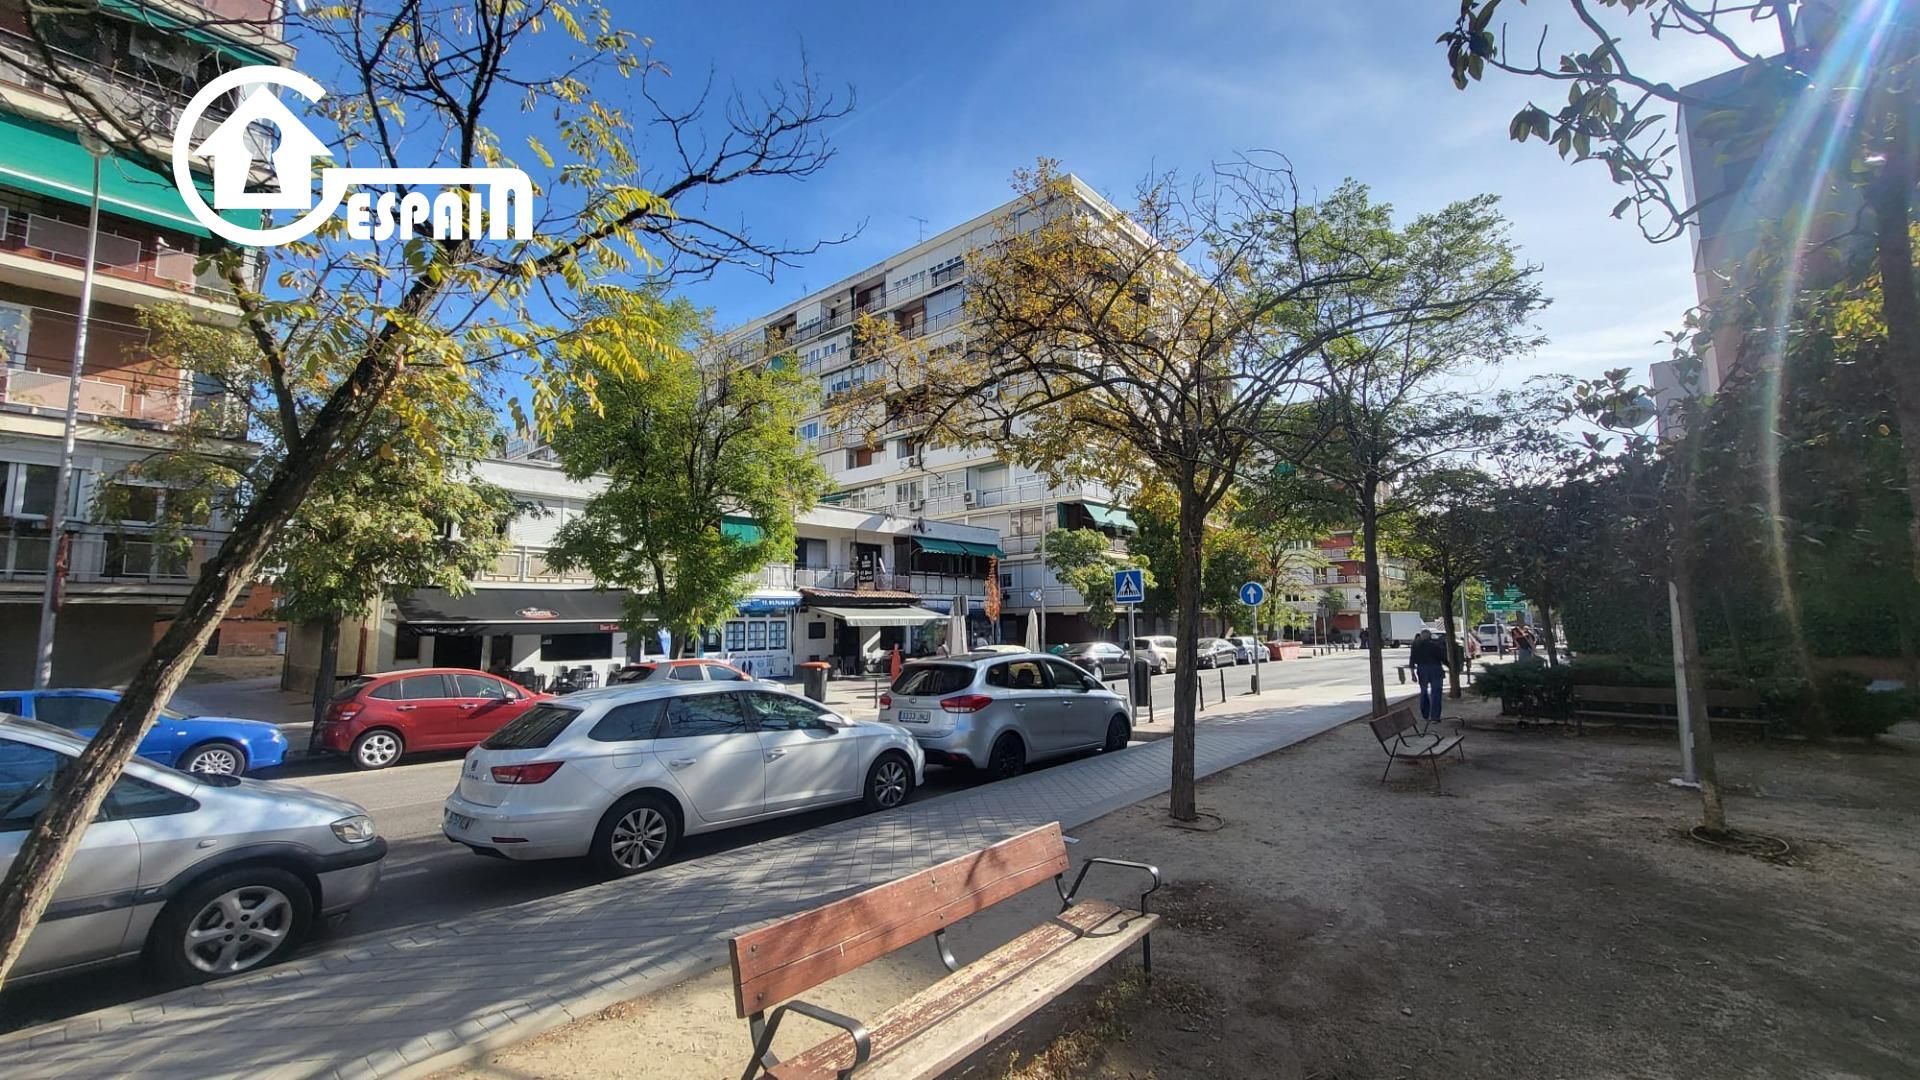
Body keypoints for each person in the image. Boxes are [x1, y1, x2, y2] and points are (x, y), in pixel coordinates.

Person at [1410, 629, 1447, 724]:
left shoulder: (1416, 646)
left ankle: (1425, 714)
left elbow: (1412, 660)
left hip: (1422, 669)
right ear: (1430, 636)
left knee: (1423, 691)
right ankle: (1435, 717)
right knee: (1436, 693)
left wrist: (1412, 674)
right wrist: (1450, 667)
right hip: (1435, 668)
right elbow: (1443, 658)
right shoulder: (1435, 645)